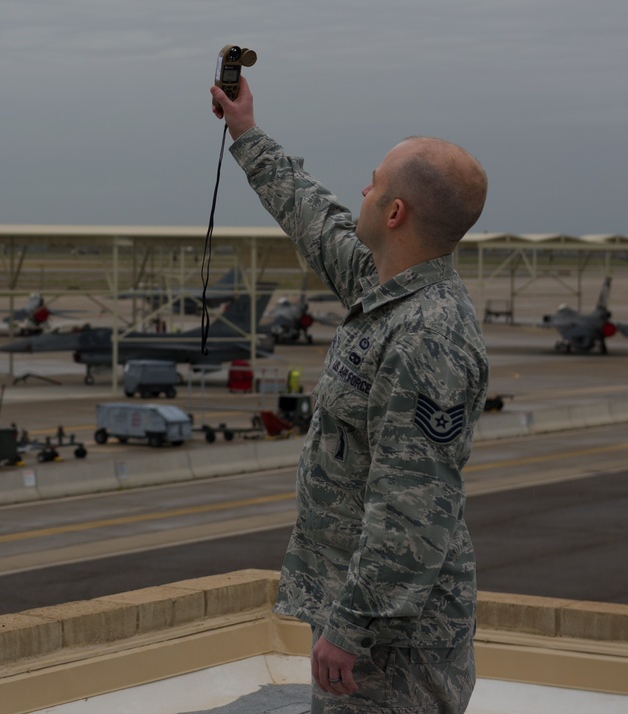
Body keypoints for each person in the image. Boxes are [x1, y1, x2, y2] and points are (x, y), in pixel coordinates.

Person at [210, 76, 489, 714]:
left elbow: (411, 506)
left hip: (394, 646)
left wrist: (352, 626)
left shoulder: (428, 335)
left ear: (395, 214)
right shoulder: (384, 287)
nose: (360, 192)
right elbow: (315, 217)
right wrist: (246, 133)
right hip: (364, 615)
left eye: (373, 183)